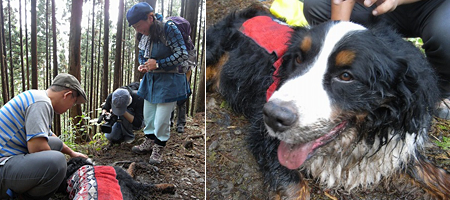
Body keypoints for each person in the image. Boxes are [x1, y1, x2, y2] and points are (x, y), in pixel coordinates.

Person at [303, 0, 450, 118]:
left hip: (436, 5)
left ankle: (443, 90)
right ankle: (331, 77)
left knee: (446, 35)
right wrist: (339, 41)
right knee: (316, 5)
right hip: (374, 6)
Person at [0, 73, 88, 199]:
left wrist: (72, 153)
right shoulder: (41, 103)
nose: (70, 108)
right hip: (2, 166)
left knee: (55, 143)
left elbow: (48, 134)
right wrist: (60, 174)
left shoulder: (38, 97)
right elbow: (37, 148)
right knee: (57, 162)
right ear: (67, 95)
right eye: (73, 103)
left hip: (9, 160)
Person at [126, 2, 190, 164]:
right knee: (149, 114)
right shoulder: (143, 35)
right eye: (135, 27)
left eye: (139, 25)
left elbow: (182, 54)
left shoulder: (168, 29)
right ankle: (149, 141)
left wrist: (159, 63)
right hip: (151, 80)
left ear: (150, 17)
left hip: (170, 81)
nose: (138, 30)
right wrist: (144, 64)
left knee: (162, 119)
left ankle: (158, 147)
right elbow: (142, 54)